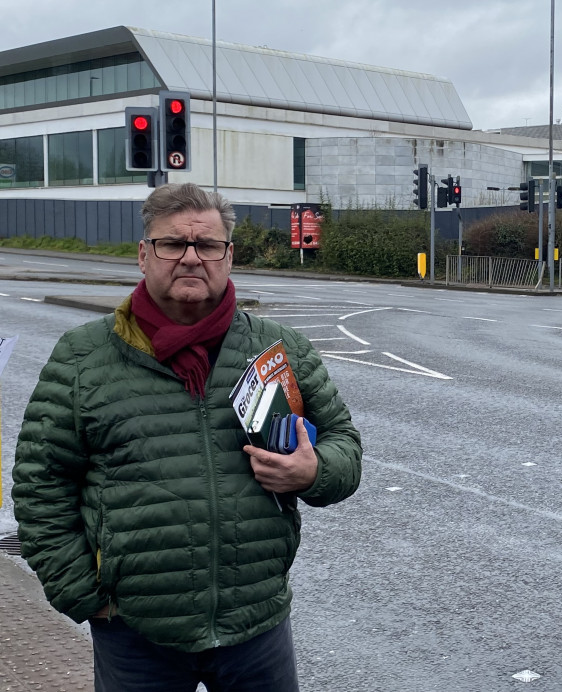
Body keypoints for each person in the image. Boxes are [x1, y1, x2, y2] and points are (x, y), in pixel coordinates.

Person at [12, 182, 362, 692]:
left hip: (255, 622)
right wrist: (87, 596)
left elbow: (345, 444)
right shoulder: (83, 357)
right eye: (173, 243)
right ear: (143, 254)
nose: (192, 258)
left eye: (208, 245)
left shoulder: (278, 349)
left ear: (228, 256)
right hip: (134, 631)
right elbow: (41, 485)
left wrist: (314, 470)